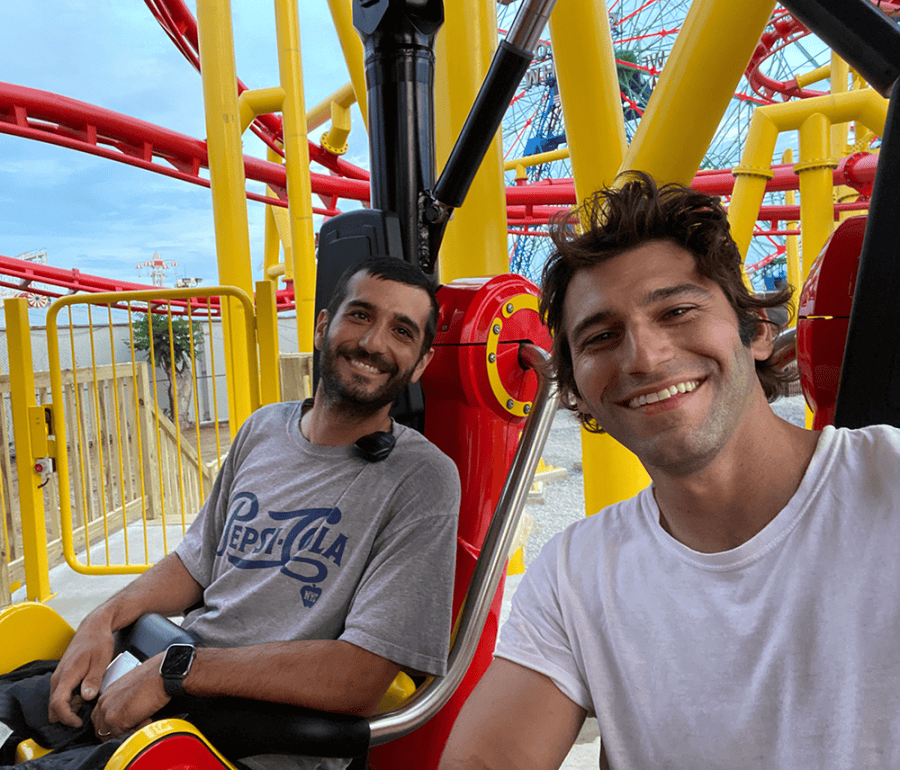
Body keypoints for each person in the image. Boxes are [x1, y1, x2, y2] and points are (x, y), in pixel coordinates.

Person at [440, 171, 900, 769]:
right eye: (601, 337)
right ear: (577, 389)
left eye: (678, 311)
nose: (645, 357)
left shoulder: (886, 484)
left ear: (756, 330)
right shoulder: (575, 576)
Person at [47, 256, 461, 770]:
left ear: (420, 364)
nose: (374, 343)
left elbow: (359, 678)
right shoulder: (263, 429)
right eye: (360, 316)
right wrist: (101, 618)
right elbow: (195, 564)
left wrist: (173, 672)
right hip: (169, 684)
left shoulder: (420, 478)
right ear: (320, 326)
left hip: (242, 739)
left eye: (401, 331)